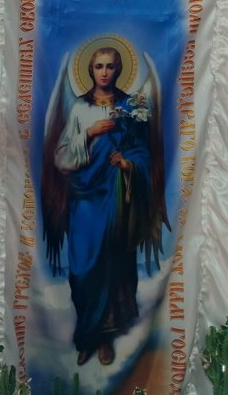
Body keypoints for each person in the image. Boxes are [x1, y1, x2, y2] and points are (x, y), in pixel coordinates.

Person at [42, 46, 165, 367]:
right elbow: (61, 157)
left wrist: (128, 164)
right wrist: (89, 133)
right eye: (99, 66)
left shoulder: (130, 108)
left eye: (110, 66)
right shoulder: (80, 108)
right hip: (84, 199)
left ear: (119, 69)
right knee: (82, 271)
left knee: (111, 266)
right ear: (91, 70)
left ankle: (105, 338)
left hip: (116, 198)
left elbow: (142, 152)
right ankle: (87, 335)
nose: (105, 72)